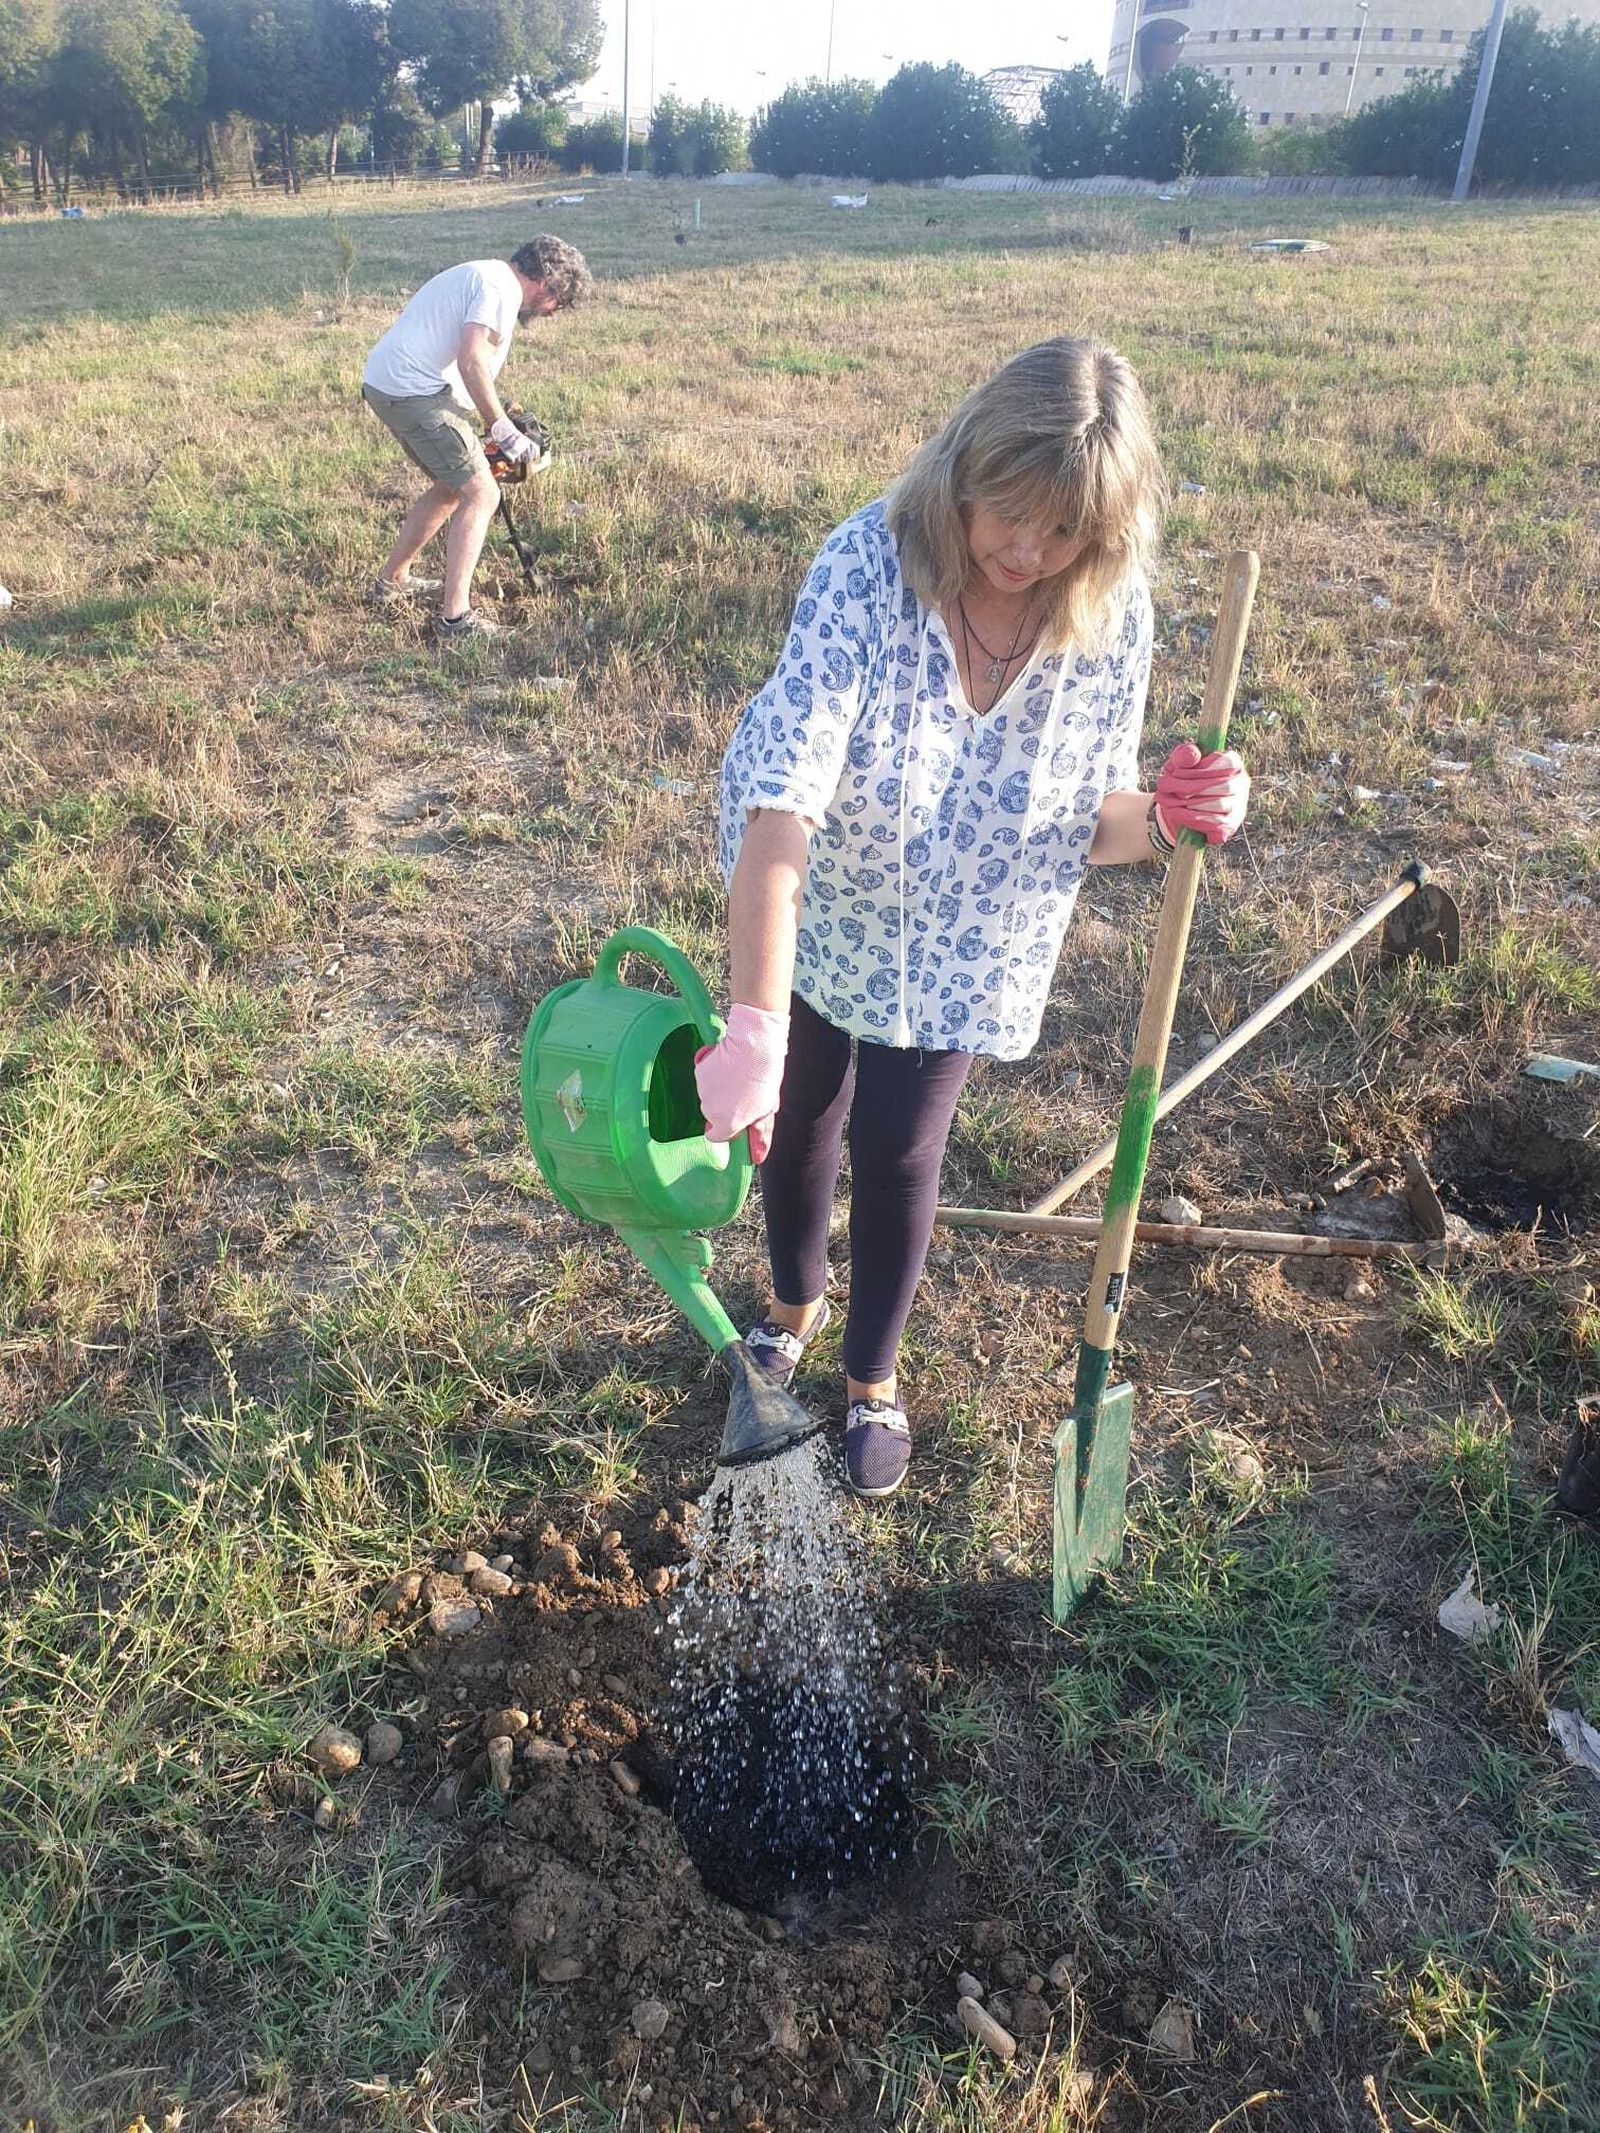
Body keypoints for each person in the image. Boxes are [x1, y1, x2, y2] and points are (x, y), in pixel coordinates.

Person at [694, 336, 1250, 1500]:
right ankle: (791, 1309)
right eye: (1009, 511)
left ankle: (870, 1383)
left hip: (968, 937)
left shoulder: (1109, 615)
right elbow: (781, 807)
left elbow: (1085, 821)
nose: (1024, 550)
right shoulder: (867, 562)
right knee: (798, 1122)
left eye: (1062, 533)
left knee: (900, 1148)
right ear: (964, 465)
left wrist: (1167, 815)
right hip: (826, 898)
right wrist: (753, 1019)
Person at [361, 235, 592, 643]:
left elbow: (469, 364)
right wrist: (502, 429)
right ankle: (456, 621)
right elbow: (470, 359)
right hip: (412, 392)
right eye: (560, 302)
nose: (553, 313)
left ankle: (393, 580)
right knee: (482, 493)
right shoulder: (498, 288)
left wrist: (497, 413)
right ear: (548, 283)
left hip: (392, 386)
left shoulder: (488, 276)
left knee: (454, 487)